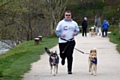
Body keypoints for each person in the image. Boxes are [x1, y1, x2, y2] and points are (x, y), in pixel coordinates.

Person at [55, 10, 79, 74]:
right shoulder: (61, 23)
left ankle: (69, 69)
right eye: (66, 15)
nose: (68, 16)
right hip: (62, 41)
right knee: (62, 54)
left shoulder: (74, 23)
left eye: (69, 15)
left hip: (71, 41)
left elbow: (77, 30)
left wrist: (75, 33)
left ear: (71, 16)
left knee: (69, 55)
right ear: (64, 15)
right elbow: (57, 31)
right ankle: (63, 58)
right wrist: (60, 35)